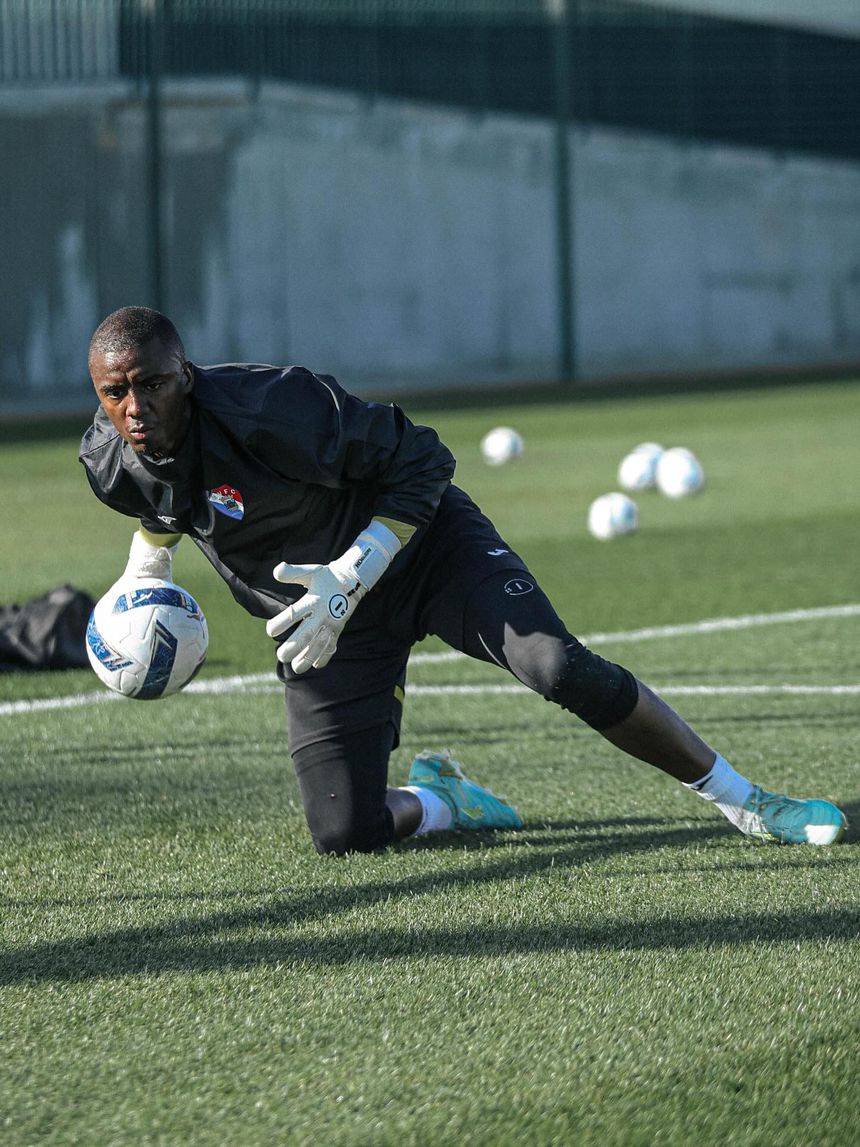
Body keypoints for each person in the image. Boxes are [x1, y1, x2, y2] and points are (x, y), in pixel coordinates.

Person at [80, 306, 846, 854]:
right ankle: (444, 795)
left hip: (426, 552)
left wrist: (358, 567)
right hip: (322, 620)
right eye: (116, 393)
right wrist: (148, 562)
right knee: (345, 831)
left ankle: (748, 802)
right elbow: (167, 497)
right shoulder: (111, 460)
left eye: (151, 384)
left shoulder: (275, 407)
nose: (135, 406)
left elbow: (426, 459)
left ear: (187, 374)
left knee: (557, 664)